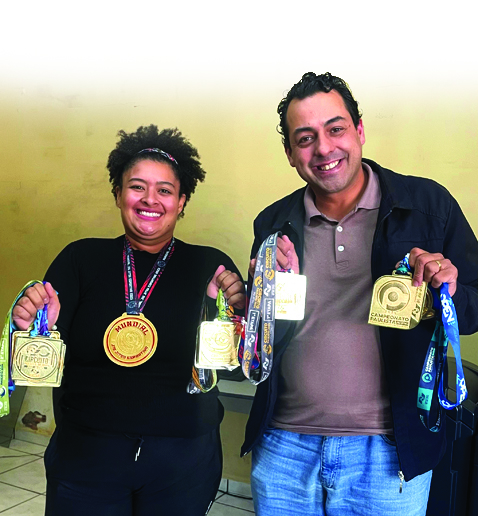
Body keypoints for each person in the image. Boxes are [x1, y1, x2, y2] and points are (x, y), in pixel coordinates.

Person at [241, 73, 478, 515]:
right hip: (284, 448)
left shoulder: (428, 206)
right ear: (291, 153)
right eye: (305, 138)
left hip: (389, 452)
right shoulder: (272, 223)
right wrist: (256, 300)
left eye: (336, 129)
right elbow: (261, 340)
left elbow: (474, 306)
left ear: (360, 130)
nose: (324, 148)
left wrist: (447, 294)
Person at [12, 125, 245, 516]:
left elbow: (234, 373)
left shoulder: (211, 266)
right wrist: (36, 327)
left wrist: (225, 315)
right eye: (137, 186)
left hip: (182, 460)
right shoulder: (79, 259)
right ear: (118, 194)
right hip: (86, 455)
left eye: (165, 190)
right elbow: (40, 363)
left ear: (181, 201)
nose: (150, 199)